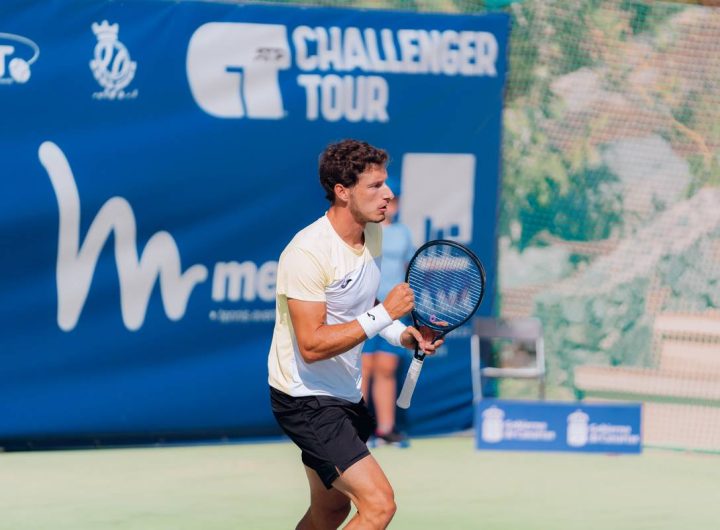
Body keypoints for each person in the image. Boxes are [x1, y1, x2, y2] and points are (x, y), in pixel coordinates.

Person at [268, 139, 442, 530]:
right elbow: (311, 345)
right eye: (375, 186)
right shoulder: (307, 252)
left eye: (386, 184)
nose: (389, 194)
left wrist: (402, 335)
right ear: (342, 192)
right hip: (305, 398)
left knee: (329, 513)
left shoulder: (373, 235)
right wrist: (385, 313)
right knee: (379, 505)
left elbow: (365, 303)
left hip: (346, 394)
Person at [361, 175, 415, 447]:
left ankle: (385, 429)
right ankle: (358, 430)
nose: (389, 203)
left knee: (387, 367)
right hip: (364, 308)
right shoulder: (365, 230)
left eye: (394, 199)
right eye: (384, 197)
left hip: (394, 311)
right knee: (363, 367)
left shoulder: (404, 233)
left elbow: (409, 270)